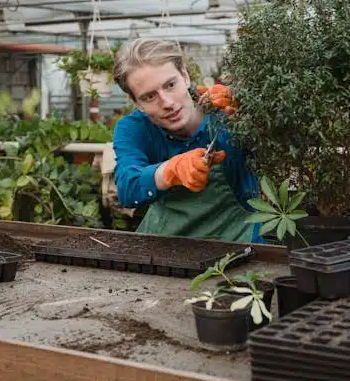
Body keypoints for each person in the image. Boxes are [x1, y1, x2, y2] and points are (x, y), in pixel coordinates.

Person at [110, 38, 261, 243]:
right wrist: (170, 171)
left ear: (185, 75)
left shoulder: (225, 112)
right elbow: (128, 189)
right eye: (149, 97)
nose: (168, 103)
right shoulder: (134, 128)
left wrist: (253, 109)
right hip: (166, 250)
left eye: (170, 85)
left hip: (241, 244)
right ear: (136, 103)